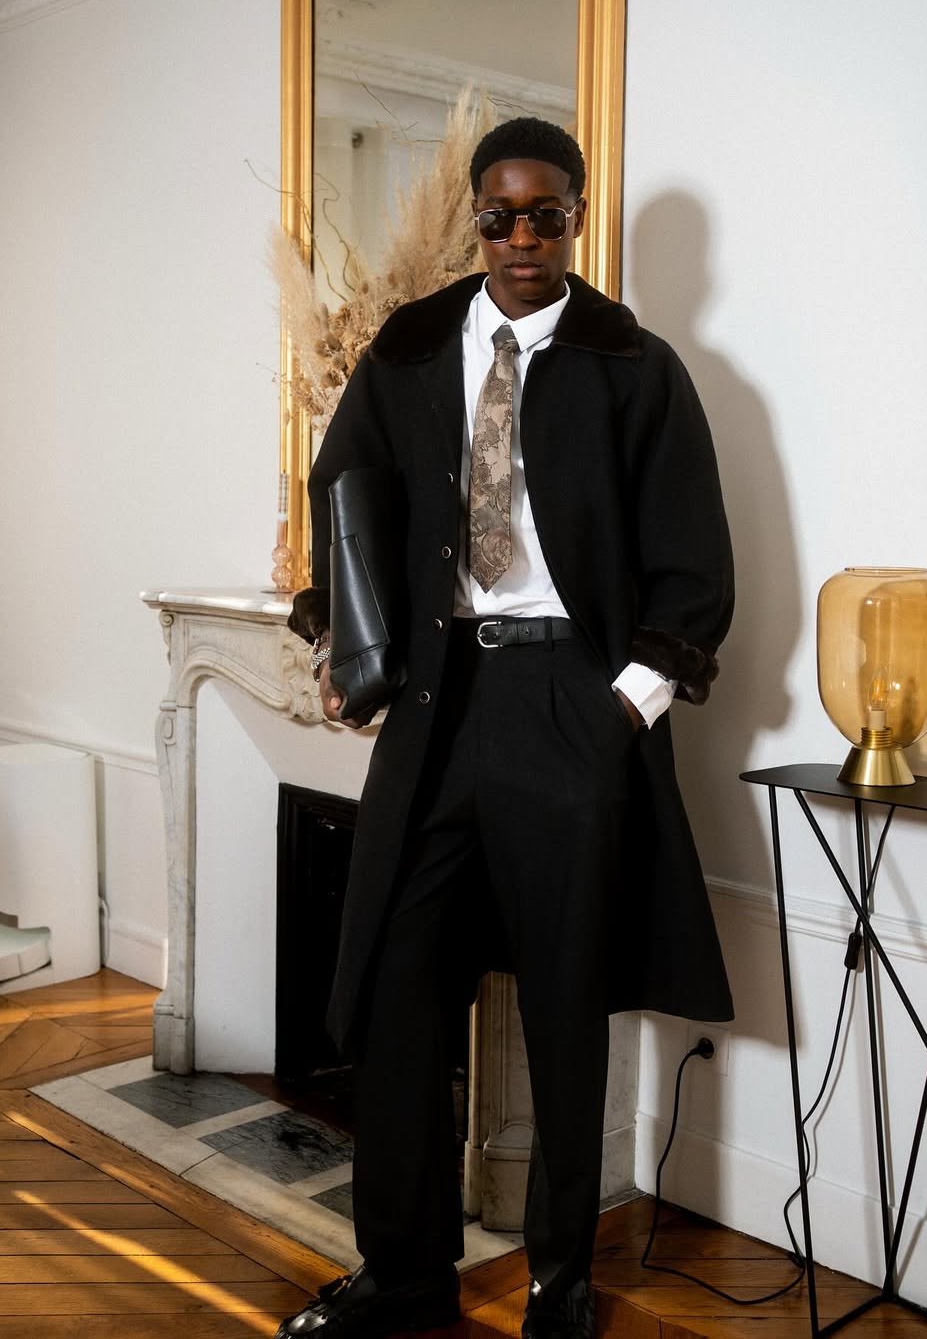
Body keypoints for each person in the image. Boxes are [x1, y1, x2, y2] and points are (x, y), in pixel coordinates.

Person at [281, 116, 734, 1339]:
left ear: (579, 216)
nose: (522, 237)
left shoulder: (637, 366)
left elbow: (696, 567)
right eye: (500, 215)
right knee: (394, 980)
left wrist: (619, 708)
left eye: (547, 215)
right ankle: (403, 1272)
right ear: (474, 218)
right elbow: (342, 501)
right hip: (436, 702)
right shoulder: (411, 347)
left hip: (567, 704)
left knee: (564, 1001)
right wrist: (341, 644)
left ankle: (560, 1278)